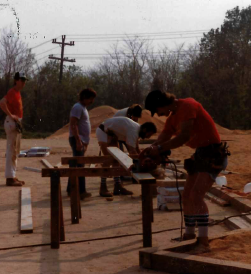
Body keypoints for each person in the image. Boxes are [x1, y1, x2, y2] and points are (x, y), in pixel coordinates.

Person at [142, 90, 229, 250]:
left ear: (162, 104)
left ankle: (203, 242)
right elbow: (166, 134)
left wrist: (159, 148)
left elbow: (184, 137)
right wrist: (152, 147)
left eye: (158, 110)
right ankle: (189, 234)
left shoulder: (188, 106)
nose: (159, 115)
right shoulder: (173, 117)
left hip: (213, 153)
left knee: (196, 195)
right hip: (201, 153)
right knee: (187, 195)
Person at [96, 117, 157, 197]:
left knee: (116, 160)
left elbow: (137, 148)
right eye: (149, 134)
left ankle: (117, 186)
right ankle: (103, 188)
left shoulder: (136, 129)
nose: (148, 137)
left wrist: (143, 157)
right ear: (145, 130)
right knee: (108, 160)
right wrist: (142, 163)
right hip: (103, 132)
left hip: (112, 134)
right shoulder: (134, 131)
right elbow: (132, 151)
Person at [0, 72, 28, 186]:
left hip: (15, 123)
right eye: (22, 80)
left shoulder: (17, 93)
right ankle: (10, 178)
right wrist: (11, 115)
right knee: (11, 151)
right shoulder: (12, 92)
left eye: (25, 80)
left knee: (14, 151)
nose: (24, 82)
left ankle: (12, 176)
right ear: (16, 80)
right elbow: (2, 103)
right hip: (12, 122)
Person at [67, 88, 97, 200]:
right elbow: (73, 125)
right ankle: (81, 191)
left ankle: (71, 189)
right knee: (80, 165)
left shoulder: (82, 108)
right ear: (85, 97)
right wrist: (78, 141)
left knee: (76, 165)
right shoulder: (77, 107)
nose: (92, 102)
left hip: (81, 140)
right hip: (77, 140)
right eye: (90, 99)